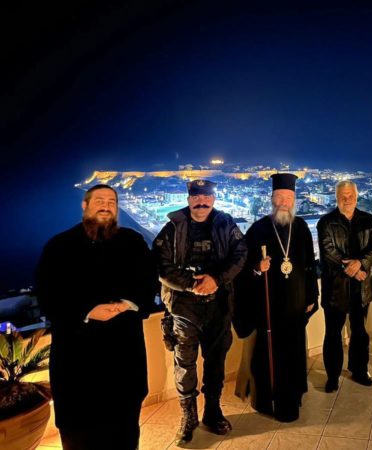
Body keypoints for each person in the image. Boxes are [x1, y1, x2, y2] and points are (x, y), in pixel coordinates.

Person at [36, 184, 157, 450]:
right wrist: (88, 311)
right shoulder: (59, 246)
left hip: (124, 357)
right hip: (77, 361)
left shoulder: (133, 242)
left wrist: (126, 304)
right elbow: (47, 295)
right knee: (79, 435)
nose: (106, 206)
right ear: (85, 205)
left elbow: (149, 283)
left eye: (111, 202)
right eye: (99, 200)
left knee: (125, 432)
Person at [153, 179, 247, 442]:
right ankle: (189, 416)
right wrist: (192, 286)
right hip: (184, 309)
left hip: (218, 305)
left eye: (206, 197)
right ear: (189, 200)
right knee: (185, 365)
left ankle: (213, 412)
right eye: (196, 197)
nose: (201, 202)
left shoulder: (226, 223)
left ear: (213, 200)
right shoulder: (172, 228)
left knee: (216, 362)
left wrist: (216, 280)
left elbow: (240, 254)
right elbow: (161, 266)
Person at [238, 173, 319, 422]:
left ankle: (293, 395)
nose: (284, 202)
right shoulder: (258, 229)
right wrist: (257, 267)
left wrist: (312, 295)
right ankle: (266, 399)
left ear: (294, 200)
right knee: (269, 355)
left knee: (294, 352)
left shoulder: (302, 228)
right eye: (280, 197)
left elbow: (310, 266)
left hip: (295, 304)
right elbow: (241, 267)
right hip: (269, 307)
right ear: (272, 199)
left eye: (288, 198)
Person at [317, 180, 372, 392]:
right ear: (336, 198)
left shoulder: (368, 219)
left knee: (360, 332)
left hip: (362, 287)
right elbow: (328, 252)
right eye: (343, 196)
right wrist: (354, 268)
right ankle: (332, 376)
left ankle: (359, 370)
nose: (347, 200)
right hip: (336, 288)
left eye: (350, 196)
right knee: (333, 334)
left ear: (356, 196)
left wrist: (360, 263)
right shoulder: (326, 222)